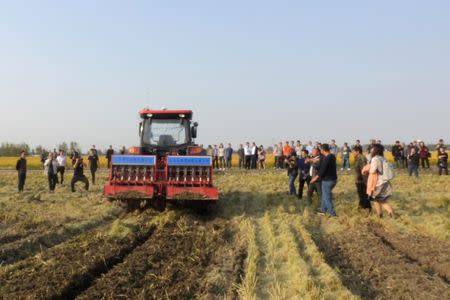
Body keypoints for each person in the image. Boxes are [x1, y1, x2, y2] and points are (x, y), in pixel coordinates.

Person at [363, 144, 394, 218]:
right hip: (385, 181)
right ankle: (380, 216)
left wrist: (367, 168)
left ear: (375, 150)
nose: (371, 150)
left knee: (379, 200)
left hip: (378, 182)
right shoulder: (383, 158)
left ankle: (391, 214)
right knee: (378, 199)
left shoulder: (375, 159)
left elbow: (372, 170)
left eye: (372, 149)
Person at [311, 144, 338, 217]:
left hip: (328, 180)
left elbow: (322, 170)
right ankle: (323, 210)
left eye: (320, 149)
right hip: (333, 179)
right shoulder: (332, 156)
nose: (320, 151)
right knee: (324, 195)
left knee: (327, 197)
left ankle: (333, 214)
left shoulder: (327, 158)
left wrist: (315, 178)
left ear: (323, 150)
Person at [352, 146, 371, 211]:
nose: (353, 153)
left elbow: (364, 171)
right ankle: (362, 208)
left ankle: (366, 208)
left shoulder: (362, 158)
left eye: (353, 152)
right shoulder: (357, 158)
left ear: (358, 151)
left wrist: (366, 182)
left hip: (361, 180)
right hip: (358, 180)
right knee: (361, 195)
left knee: (363, 195)